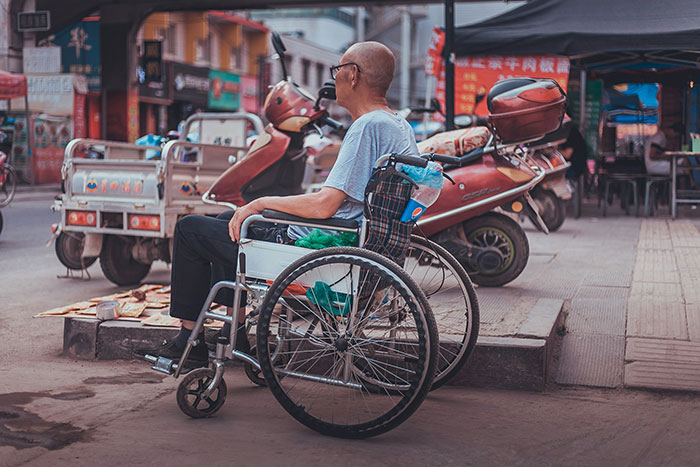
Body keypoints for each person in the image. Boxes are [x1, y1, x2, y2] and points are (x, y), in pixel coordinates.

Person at [144, 41, 419, 367]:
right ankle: (239, 332)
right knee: (225, 220)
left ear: (353, 75)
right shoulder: (398, 125)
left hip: (315, 246)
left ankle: (187, 343)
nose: (336, 78)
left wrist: (259, 204)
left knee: (190, 229)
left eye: (338, 70)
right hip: (357, 240)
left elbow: (324, 206)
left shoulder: (367, 126)